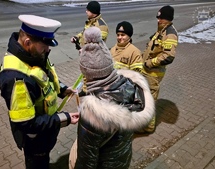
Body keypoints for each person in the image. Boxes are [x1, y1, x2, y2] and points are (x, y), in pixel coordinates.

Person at [0, 15, 79, 169]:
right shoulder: (16, 78)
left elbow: (44, 77)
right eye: (44, 46)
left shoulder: (33, 54)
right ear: (28, 42)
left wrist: (62, 89)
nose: (48, 50)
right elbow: (26, 123)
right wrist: (64, 118)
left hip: (45, 132)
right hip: (35, 139)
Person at [68, 27, 155, 169]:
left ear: (87, 73)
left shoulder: (92, 114)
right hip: (122, 160)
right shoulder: (131, 87)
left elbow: (86, 162)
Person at [141, 5, 178, 133]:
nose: (158, 20)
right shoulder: (161, 31)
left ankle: (148, 127)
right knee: (145, 98)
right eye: (158, 18)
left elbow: (168, 56)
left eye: (161, 18)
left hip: (154, 73)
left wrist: (150, 63)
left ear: (168, 19)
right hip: (148, 71)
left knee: (150, 100)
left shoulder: (170, 34)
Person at [71, 1, 109, 97]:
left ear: (94, 12)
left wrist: (84, 50)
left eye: (88, 10)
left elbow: (98, 44)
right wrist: (77, 37)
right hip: (86, 52)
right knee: (85, 73)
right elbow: (84, 33)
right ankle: (85, 89)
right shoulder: (90, 22)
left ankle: (93, 93)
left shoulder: (101, 26)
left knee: (93, 75)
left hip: (94, 56)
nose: (86, 12)